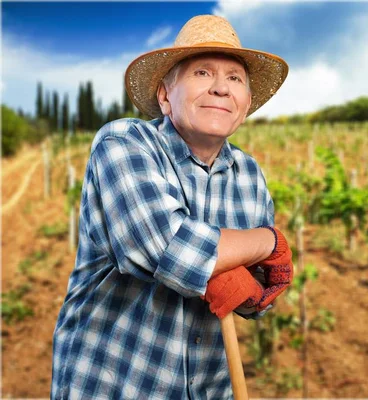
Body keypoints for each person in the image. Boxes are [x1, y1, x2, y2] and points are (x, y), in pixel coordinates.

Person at [51, 15, 293, 399]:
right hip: (115, 384)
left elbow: (253, 294)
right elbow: (168, 249)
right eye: (202, 72)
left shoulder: (249, 174)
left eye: (234, 79)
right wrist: (267, 241)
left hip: (209, 388)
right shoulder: (124, 143)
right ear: (166, 96)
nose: (220, 89)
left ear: (245, 104)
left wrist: (250, 288)